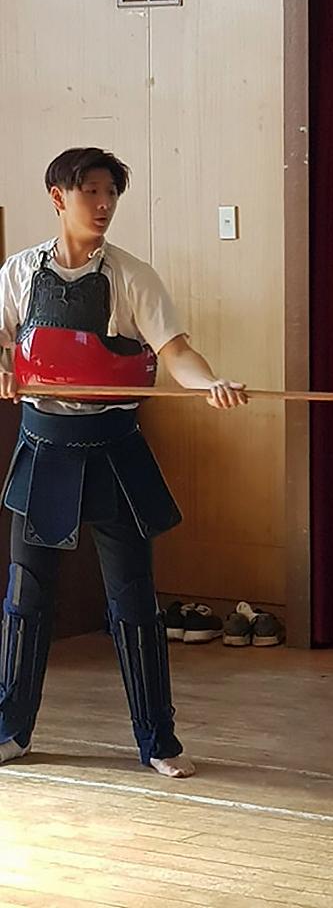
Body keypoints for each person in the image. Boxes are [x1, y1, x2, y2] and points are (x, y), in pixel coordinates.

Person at [0, 147, 247, 778]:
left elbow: (176, 351)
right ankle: (10, 730)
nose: (103, 204)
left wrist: (210, 383)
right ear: (59, 197)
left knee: (134, 601)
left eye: (111, 192)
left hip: (114, 451)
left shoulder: (134, 276)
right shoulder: (19, 272)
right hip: (44, 447)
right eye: (91, 191)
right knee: (26, 597)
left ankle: (158, 739)